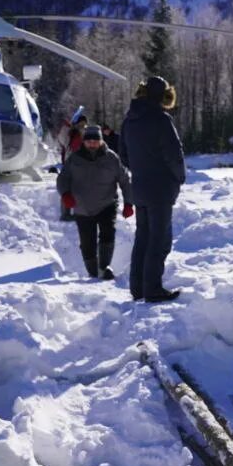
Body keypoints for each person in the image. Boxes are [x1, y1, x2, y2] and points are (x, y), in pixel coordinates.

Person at [119, 76, 185, 302]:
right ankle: (153, 289)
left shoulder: (129, 120)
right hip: (161, 189)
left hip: (139, 188)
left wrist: (141, 170)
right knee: (159, 240)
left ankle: (138, 288)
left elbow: (123, 154)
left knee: (143, 238)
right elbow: (174, 155)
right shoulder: (161, 119)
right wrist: (179, 178)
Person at [58, 125, 133, 279]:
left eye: (95, 140)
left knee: (108, 234)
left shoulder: (111, 158)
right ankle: (93, 273)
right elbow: (63, 178)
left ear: (101, 141)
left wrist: (128, 203)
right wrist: (65, 194)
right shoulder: (74, 158)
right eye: (89, 140)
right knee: (87, 243)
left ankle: (104, 268)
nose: (92, 143)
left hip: (107, 204)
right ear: (84, 142)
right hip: (82, 208)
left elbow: (125, 181)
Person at [60, 115, 88, 221]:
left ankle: (80, 212)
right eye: (81, 123)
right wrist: (66, 128)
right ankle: (65, 213)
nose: (83, 125)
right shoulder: (71, 132)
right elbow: (62, 140)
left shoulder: (85, 132)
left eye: (84, 123)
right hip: (71, 163)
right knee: (68, 188)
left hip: (83, 164)